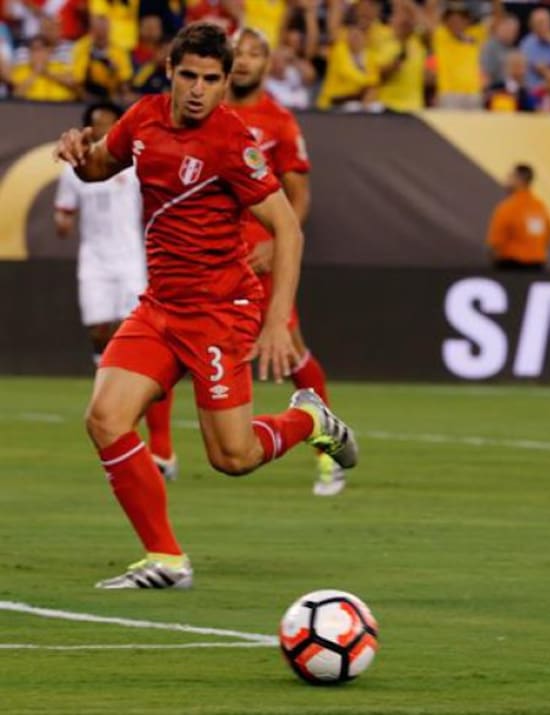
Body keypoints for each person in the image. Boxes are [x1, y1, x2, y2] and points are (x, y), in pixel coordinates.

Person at [54, 22, 358, 590]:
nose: (198, 90)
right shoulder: (143, 118)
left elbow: (288, 230)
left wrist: (276, 321)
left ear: (224, 83)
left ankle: (310, 419)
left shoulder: (232, 143)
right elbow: (98, 167)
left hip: (219, 312)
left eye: (211, 80)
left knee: (233, 458)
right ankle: (166, 559)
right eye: (189, 76)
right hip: (160, 306)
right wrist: (77, 154)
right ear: (170, 71)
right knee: (105, 419)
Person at [228, 26, 347, 496]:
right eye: (237, 51)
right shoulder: (206, 112)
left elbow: (299, 197)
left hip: (258, 258)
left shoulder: (278, 122)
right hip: (210, 252)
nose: (243, 60)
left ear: (267, 64)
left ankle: (327, 449)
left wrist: (277, 245)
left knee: (291, 350)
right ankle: (159, 453)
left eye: (254, 53)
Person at [54, 101, 176, 479]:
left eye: (111, 123)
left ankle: (160, 445)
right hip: (94, 261)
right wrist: (62, 222)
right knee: (98, 332)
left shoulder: (136, 164)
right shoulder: (75, 170)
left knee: (137, 339)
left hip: (131, 260)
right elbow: (64, 212)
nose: (106, 129)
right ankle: (118, 409)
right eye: (99, 124)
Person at [486, 163, 550, 271]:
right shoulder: (541, 208)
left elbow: (495, 244)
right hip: (537, 267)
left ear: (519, 179)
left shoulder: (508, 208)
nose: (506, 180)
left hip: (511, 267)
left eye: (510, 176)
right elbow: (547, 237)